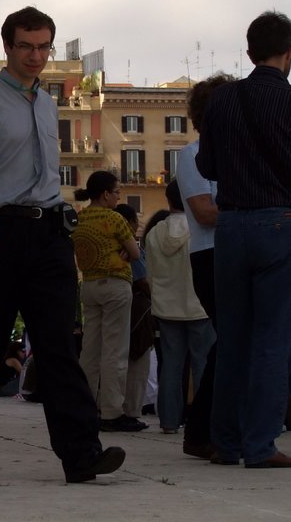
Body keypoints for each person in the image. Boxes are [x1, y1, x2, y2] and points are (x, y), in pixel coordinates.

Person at [0, 6, 125, 482]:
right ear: (8, 47)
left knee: (59, 345)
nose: (36, 56)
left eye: (43, 47)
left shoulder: (47, 104)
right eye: (26, 46)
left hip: (49, 234)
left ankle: (81, 455)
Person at [196, 10, 291, 468]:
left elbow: (208, 166)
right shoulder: (287, 100)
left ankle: (226, 442)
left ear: (249, 53)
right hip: (279, 223)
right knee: (273, 339)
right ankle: (260, 445)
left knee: (231, 337)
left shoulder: (222, 100)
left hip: (230, 225)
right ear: (288, 54)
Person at [175, 73, 235, 459]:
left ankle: (213, 428)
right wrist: (254, 212)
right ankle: (200, 430)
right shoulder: (192, 155)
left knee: (236, 342)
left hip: (233, 251)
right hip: (210, 255)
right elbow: (203, 211)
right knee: (229, 342)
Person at [72, 171, 144, 432]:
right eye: (116, 193)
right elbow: (135, 253)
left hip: (89, 285)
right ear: (105, 194)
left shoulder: (80, 219)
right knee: (115, 350)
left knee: (90, 350)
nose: (118, 197)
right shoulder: (114, 218)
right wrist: (125, 249)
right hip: (115, 285)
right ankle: (112, 412)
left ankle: (85, 407)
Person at [145, 180, 215, 434]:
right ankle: (203, 422)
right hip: (199, 306)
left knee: (171, 367)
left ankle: (169, 421)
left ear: (168, 200)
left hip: (166, 307)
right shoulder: (201, 230)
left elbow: (150, 274)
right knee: (203, 365)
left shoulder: (154, 233)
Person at [115, 203, 154, 423]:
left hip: (115, 309)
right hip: (138, 311)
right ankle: (131, 411)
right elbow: (142, 281)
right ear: (129, 223)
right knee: (138, 365)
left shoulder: (107, 245)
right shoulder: (131, 249)